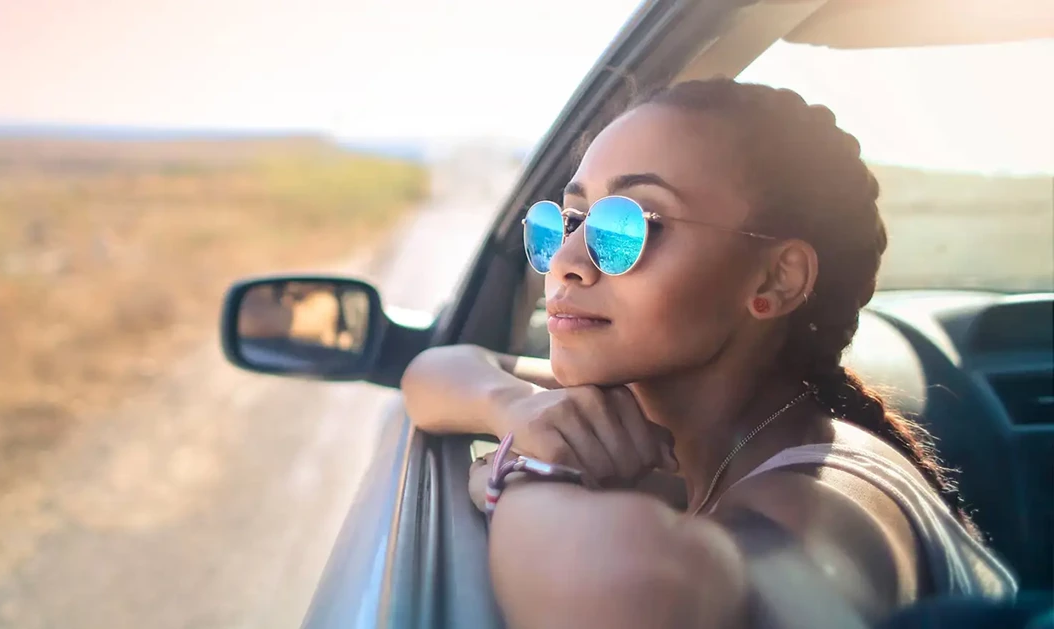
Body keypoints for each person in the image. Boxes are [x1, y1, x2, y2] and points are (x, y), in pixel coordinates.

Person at [401, 79, 1018, 629]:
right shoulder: (661, 414)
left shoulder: (837, 491)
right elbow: (439, 368)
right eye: (568, 220)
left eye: (629, 226)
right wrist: (514, 411)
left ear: (774, 282)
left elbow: (628, 601)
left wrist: (532, 472)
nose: (565, 262)